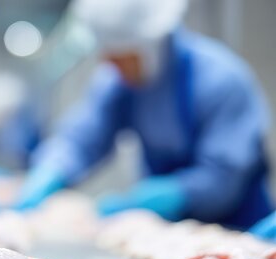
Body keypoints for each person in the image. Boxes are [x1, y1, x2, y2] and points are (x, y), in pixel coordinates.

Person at [16, 0, 272, 229]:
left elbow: (224, 176)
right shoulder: (118, 82)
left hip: (239, 227)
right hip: (172, 232)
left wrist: (176, 194)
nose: (112, 65)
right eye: (108, 56)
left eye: (123, 56)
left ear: (152, 43)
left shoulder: (221, 80)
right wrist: (51, 171)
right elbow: (82, 139)